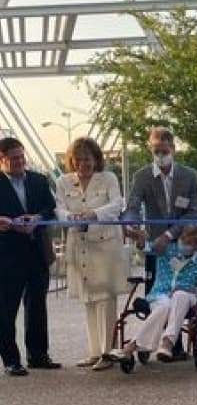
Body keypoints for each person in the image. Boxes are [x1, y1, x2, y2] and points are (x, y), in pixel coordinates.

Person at [55, 137, 127, 371]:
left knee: (105, 299)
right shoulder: (64, 181)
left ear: (96, 159)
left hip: (105, 245)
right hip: (79, 244)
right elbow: (58, 208)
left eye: (87, 159)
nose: (83, 164)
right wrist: (70, 217)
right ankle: (94, 351)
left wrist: (93, 214)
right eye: (78, 160)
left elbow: (117, 204)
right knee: (89, 299)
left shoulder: (108, 178)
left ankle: (107, 353)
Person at [0, 137, 61, 376]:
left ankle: (38, 355)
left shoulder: (38, 180)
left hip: (36, 251)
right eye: (14, 158)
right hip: (7, 255)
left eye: (21, 157)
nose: (19, 162)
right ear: (2, 159)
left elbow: (50, 208)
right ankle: (11, 360)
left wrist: (37, 217)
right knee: (6, 309)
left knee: (37, 305)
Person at [111, 226, 197, 361]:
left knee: (179, 295)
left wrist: (182, 290)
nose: (184, 244)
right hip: (161, 293)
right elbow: (146, 247)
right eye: (183, 240)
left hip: (187, 296)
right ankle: (136, 346)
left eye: (189, 243)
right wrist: (137, 237)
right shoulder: (167, 249)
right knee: (164, 306)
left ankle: (164, 343)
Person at [123, 127, 197, 253]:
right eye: (156, 152)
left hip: (186, 243)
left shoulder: (190, 176)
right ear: (151, 150)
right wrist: (133, 225)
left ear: (173, 149)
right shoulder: (141, 177)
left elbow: (193, 213)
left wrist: (168, 235)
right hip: (154, 245)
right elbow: (133, 206)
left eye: (164, 152)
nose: (160, 156)